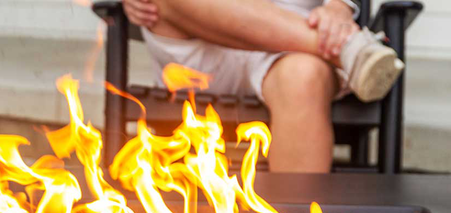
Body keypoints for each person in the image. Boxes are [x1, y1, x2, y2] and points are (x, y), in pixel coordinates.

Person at [121, 0, 403, 173]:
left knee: (303, 77)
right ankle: (347, 48)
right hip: (198, 41)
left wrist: (339, 6)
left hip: (294, 49)